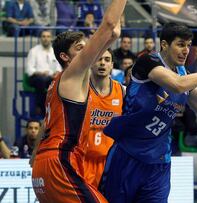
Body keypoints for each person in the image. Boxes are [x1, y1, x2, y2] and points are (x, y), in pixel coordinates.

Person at [99, 22, 197, 202]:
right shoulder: (147, 62)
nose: (186, 50)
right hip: (128, 155)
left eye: (188, 45)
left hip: (159, 162)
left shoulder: (183, 72)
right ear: (164, 45)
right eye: (180, 44)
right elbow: (177, 85)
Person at [31, 0, 127, 202]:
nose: (87, 52)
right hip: (60, 160)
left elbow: (111, 33)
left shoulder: (61, 80)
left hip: (44, 163)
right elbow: (108, 25)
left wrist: (113, 36)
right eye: (80, 48)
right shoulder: (72, 74)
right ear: (65, 56)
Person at [84, 48, 125, 188]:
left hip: (111, 162)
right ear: (91, 63)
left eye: (107, 60)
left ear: (112, 65)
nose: (102, 63)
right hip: (83, 160)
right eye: (98, 59)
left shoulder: (122, 91)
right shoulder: (80, 90)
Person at [26, 30, 61, 116]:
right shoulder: (34, 51)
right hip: (36, 78)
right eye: (44, 36)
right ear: (40, 38)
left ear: (51, 38)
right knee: (41, 81)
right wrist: (39, 73)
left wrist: (57, 72)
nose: (46, 38)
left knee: (58, 82)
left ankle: (56, 110)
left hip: (50, 78)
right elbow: (29, 68)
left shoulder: (54, 51)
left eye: (48, 36)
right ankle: (41, 108)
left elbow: (59, 66)